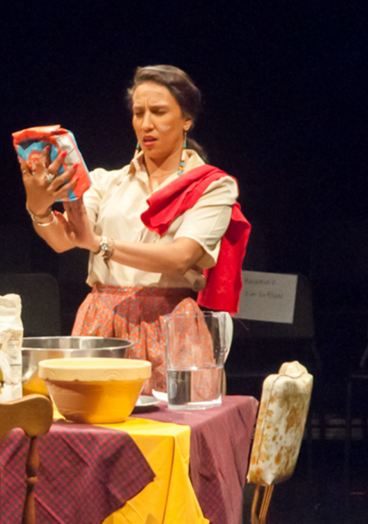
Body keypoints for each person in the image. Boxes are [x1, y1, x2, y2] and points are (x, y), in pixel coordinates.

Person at [20, 64, 249, 395]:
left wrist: (101, 245)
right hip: (102, 321)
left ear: (187, 119)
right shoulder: (106, 181)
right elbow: (63, 241)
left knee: (175, 432)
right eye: (138, 113)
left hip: (171, 324)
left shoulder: (212, 186)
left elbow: (180, 257)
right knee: (95, 434)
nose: (146, 124)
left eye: (158, 112)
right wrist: (38, 207)